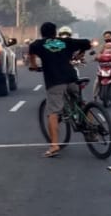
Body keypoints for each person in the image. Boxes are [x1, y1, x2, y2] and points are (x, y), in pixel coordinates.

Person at [27, 22, 93, 158]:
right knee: (81, 103)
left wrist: (33, 66)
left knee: (53, 112)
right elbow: (87, 43)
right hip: (71, 77)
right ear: (55, 32)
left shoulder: (37, 44)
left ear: (41, 33)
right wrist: (80, 54)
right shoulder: (65, 41)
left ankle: (54, 145)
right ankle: (93, 130)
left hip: (55, 81)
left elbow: (31, 56)